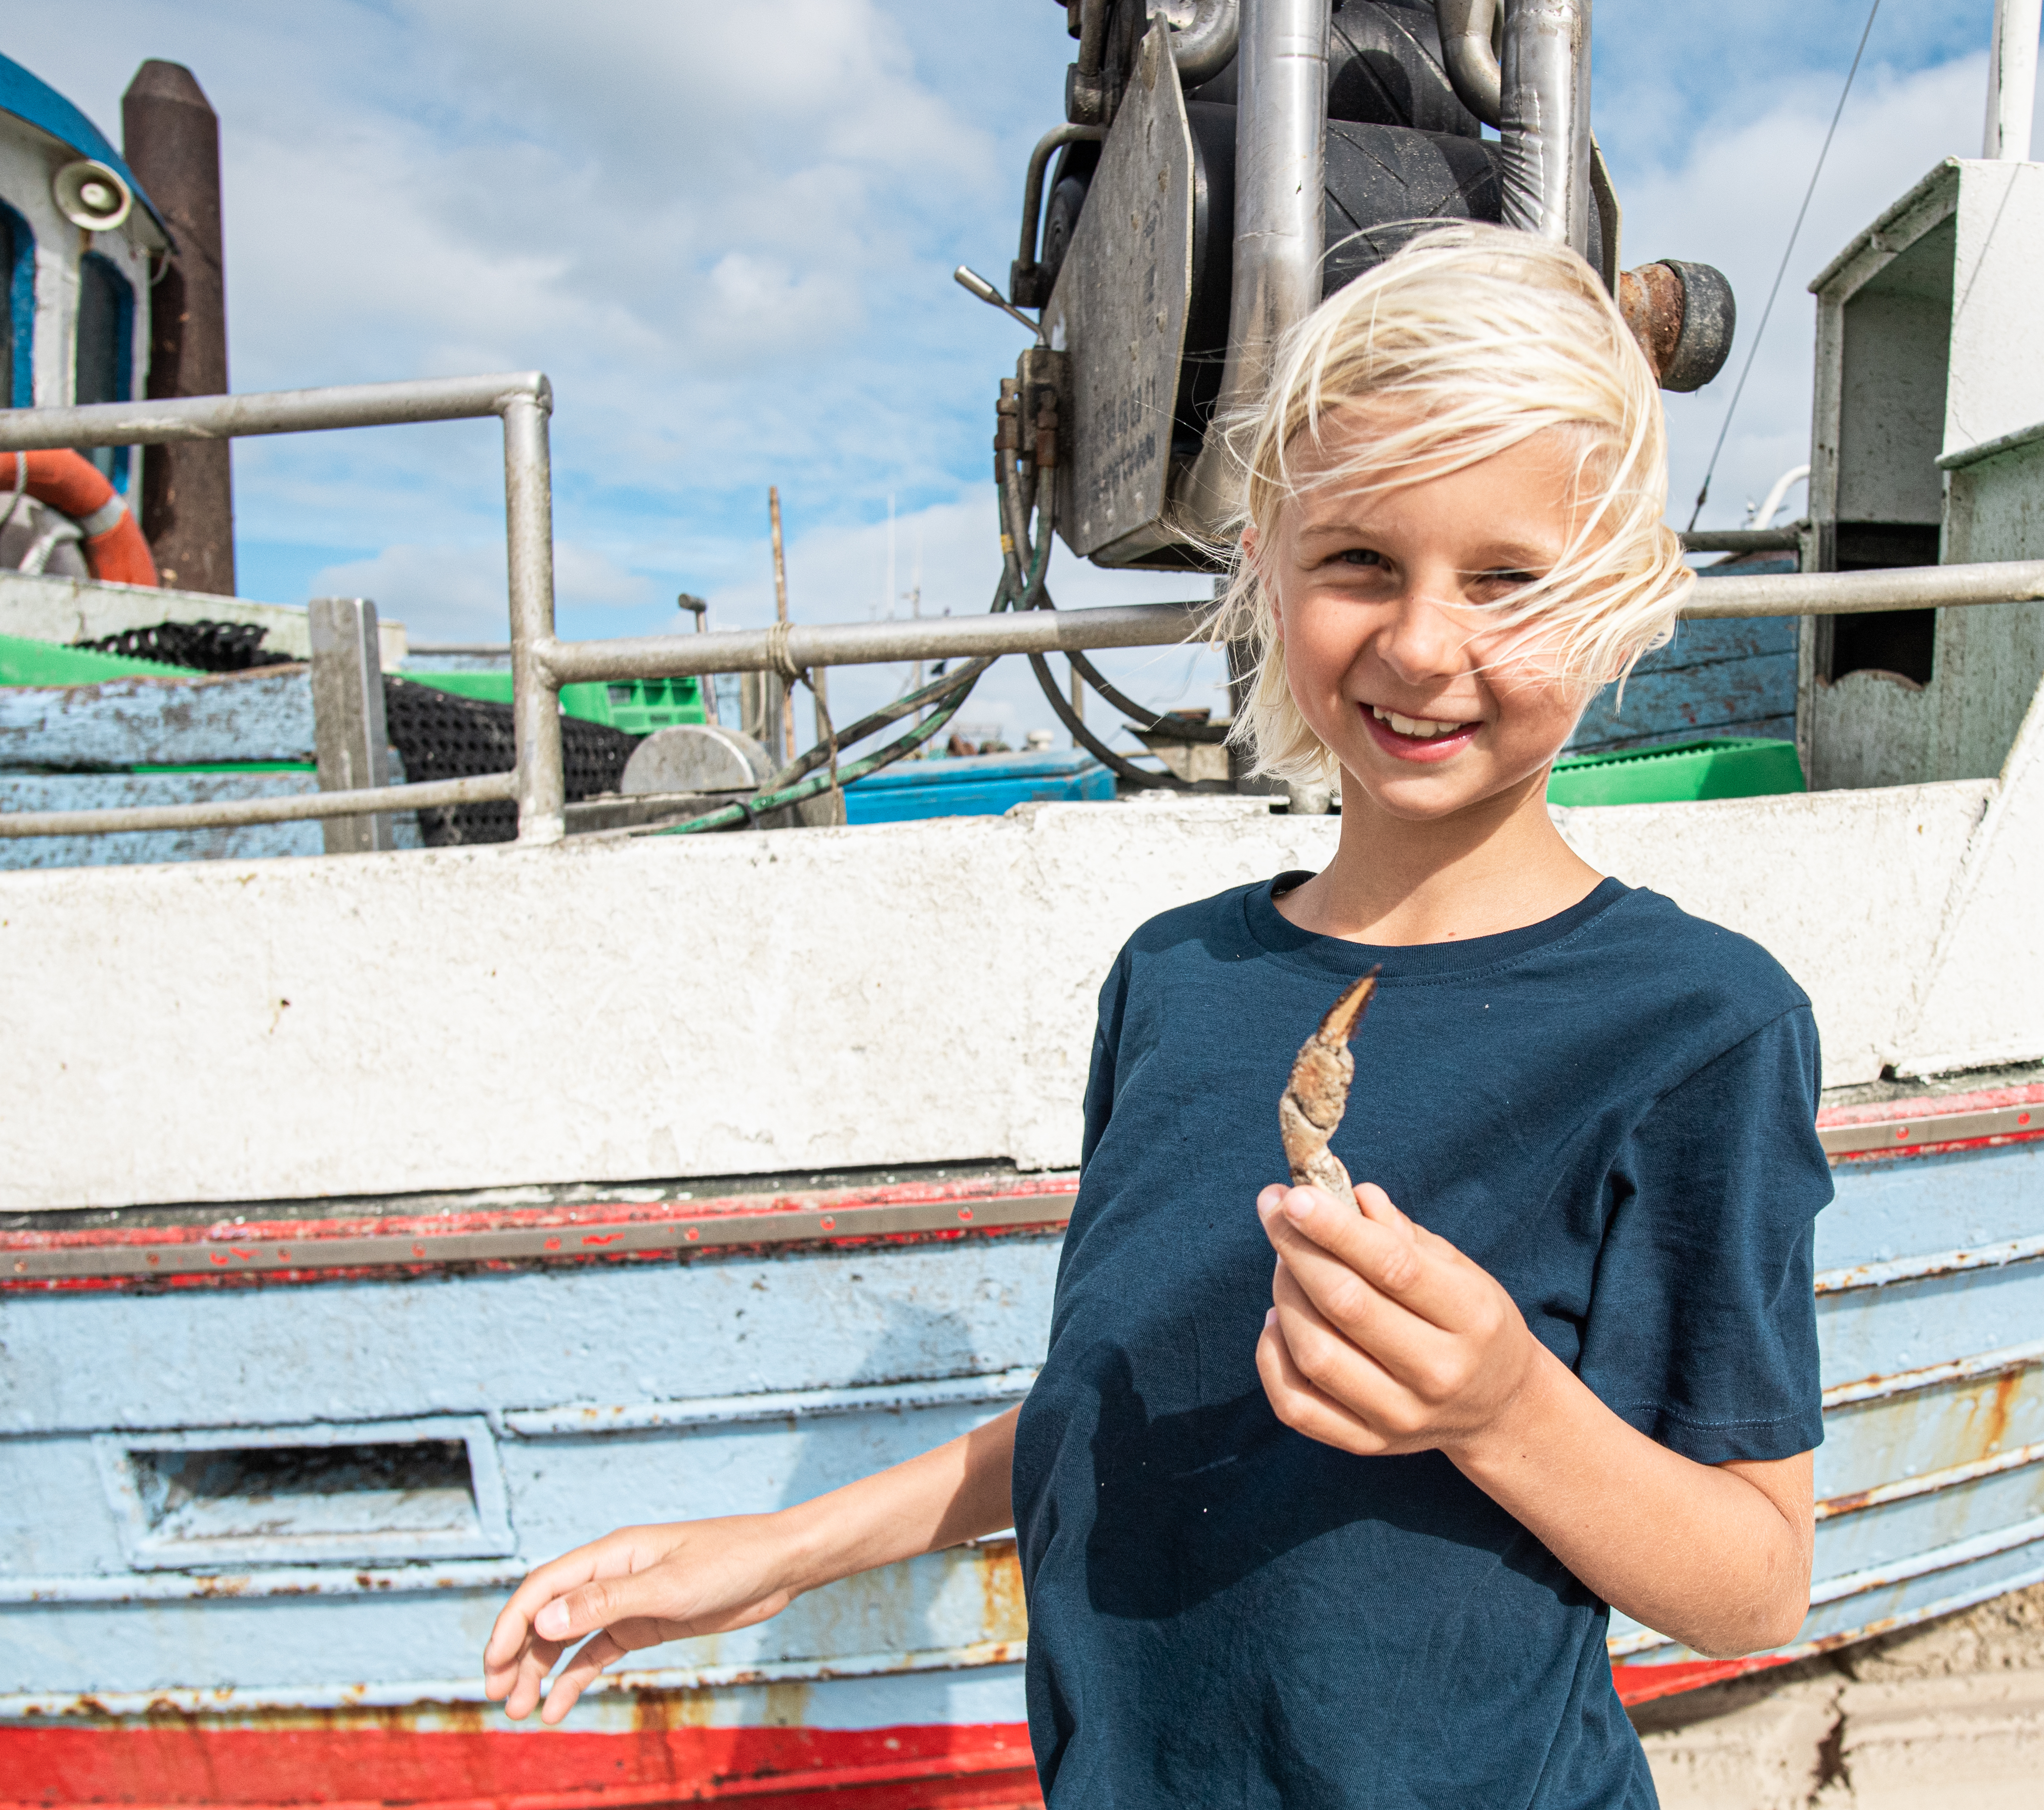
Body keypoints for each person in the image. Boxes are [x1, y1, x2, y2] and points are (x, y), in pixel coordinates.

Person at [483, 222, 1831, 1809]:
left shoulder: (1696, 1028)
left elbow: (1754, 1583)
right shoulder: (1175, 978)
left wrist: (1503, 1408)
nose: (1420, 643)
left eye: (1505, 579)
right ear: (1266, 559)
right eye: (1358, 560)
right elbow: (1114, 1402)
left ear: (1616, 593)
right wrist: (781, 1551)